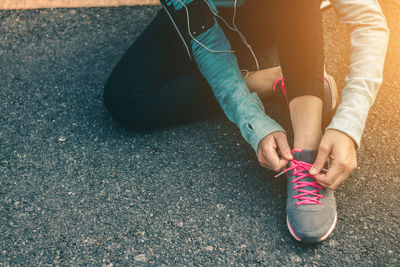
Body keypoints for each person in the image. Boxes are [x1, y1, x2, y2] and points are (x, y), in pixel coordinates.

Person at [103, 0, 389, 243]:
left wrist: (348, 126)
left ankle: (307, 149)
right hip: (214, 16)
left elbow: (369, 23)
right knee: (126, 99)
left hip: (284, 14)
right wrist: (253, 121)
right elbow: (207, 42)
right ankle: (267, 79)